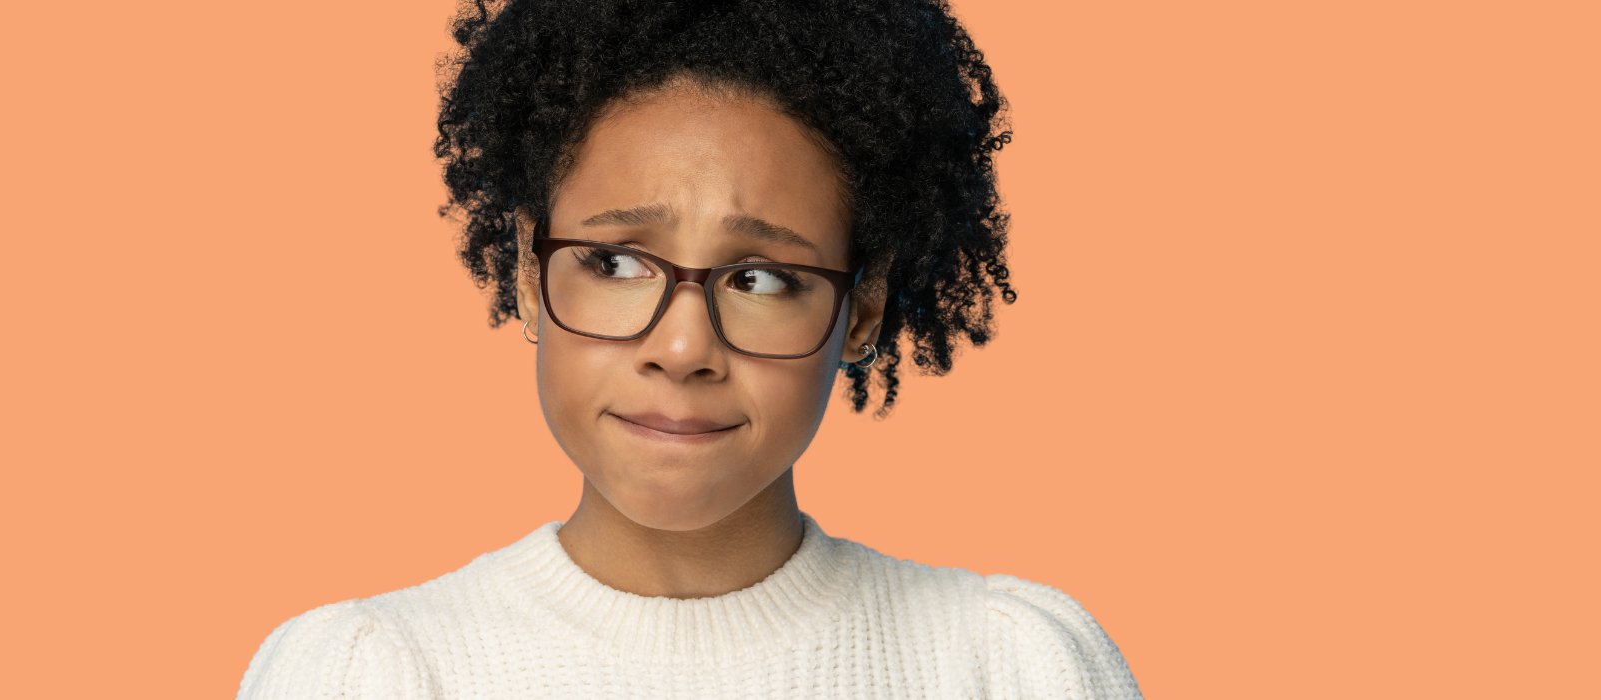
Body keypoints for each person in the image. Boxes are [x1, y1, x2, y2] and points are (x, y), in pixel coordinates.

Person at [236, 0, 1141, 697]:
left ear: (863, 308)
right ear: (528, 272)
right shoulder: (371, 673)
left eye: (762, 279)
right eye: (615, 263)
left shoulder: (1008, 668)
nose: (681, 347)